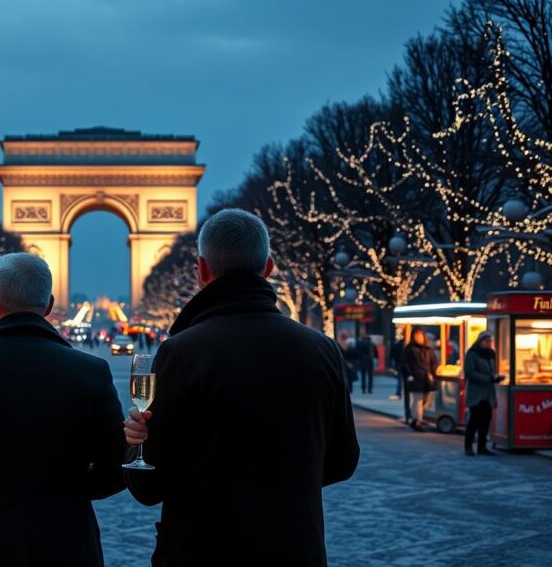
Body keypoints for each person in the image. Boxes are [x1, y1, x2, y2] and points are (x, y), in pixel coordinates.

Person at [123, 209, 360, 567]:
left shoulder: (181, 352)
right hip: (296, 551)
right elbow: (343, 462)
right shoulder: (322, 348)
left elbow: (149, 486)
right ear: (269, 267)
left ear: (201, 269)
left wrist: (135, 444)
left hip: (200, 552)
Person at [0, 253, 125, 567]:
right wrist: (72, 492)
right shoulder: (92, 372)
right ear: (49, 305)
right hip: (67, 541)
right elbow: (117, 466)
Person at [463, 332, 504, 456]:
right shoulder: (472, 354)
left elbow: (492, 371)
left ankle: (482, 447)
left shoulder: (491, 355)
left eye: (490, 341)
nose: (488, 343)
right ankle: (468, 446)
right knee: (474, 420)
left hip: (488, 394)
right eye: (486, 341)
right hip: (476, 393)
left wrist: (496, 378)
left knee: (486, 421)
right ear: (479, 341)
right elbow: (470, 373)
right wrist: (488, 379)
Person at [400, 326, 438, 432]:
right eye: (417, 335)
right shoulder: (409, 349)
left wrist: (432, 372)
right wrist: (409, 375)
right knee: (418, 400)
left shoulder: (428, 349)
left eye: (420, 335)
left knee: (427, 400)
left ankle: (415, 419)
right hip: (416, 378)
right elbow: (404, 364)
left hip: (427, 378)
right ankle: (418, 421)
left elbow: (434, 362)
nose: (419, 337)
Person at [390, 332, 405, 403]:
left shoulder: (398, 344)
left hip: (398, 363)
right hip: (402, 363)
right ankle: (401, 391)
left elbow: (392, 354)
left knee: (400, 378)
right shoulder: (405, 345)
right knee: (402, 378)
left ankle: (399, 391)